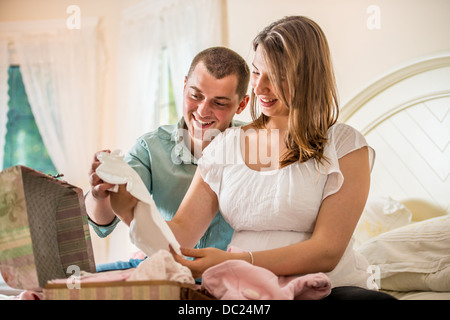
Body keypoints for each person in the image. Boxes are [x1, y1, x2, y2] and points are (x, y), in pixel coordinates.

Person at [110, 16, 395, 299]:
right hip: (245, 291)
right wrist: (126, 207)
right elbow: (182, 233)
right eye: (257, 73)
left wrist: (234, 262)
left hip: (331, 290)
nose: (259, 89)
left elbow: (327, 251)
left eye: (277, 76)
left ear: (309, 76)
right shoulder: (225, 146)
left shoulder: (345, 145)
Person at [86, 47, 250, 270]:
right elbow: (103, 223)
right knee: (68, 285)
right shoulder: (151, 148)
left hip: (229, 272)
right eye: (195, 95)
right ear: (184, 86)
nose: (202, 111)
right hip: (162, 264)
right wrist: (99, 194)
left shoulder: (254, 147)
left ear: (242, 104)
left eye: (219, 103)